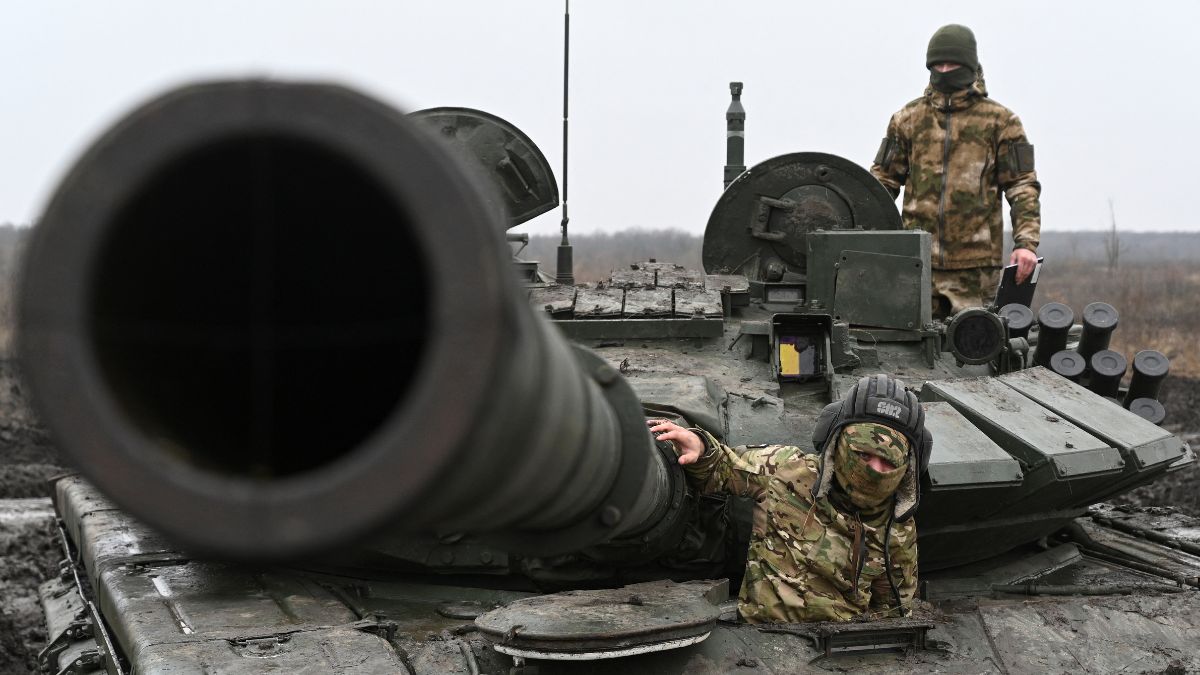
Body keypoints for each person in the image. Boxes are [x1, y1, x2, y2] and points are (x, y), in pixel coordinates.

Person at [648, 375, 931, 623]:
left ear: (906, 469)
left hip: (836, 647)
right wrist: (700, 446)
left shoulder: (897, 526)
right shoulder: (786, 470)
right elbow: (724, 466)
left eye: (887, 463)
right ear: (838, 442)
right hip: (763, 640)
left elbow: (893, 613)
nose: (874, 471)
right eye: (863, 455)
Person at [871, 24, 1042, 316]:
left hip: (975, 270)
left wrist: (1026, 244)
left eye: (953, 64)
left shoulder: (1001, 121)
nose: (945, 69)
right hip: (914, 262)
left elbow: (1022, 186)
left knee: (974, 350)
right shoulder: (908, 119)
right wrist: (862, 238)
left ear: (970, 66)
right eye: (938, 64)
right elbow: (881, 184)